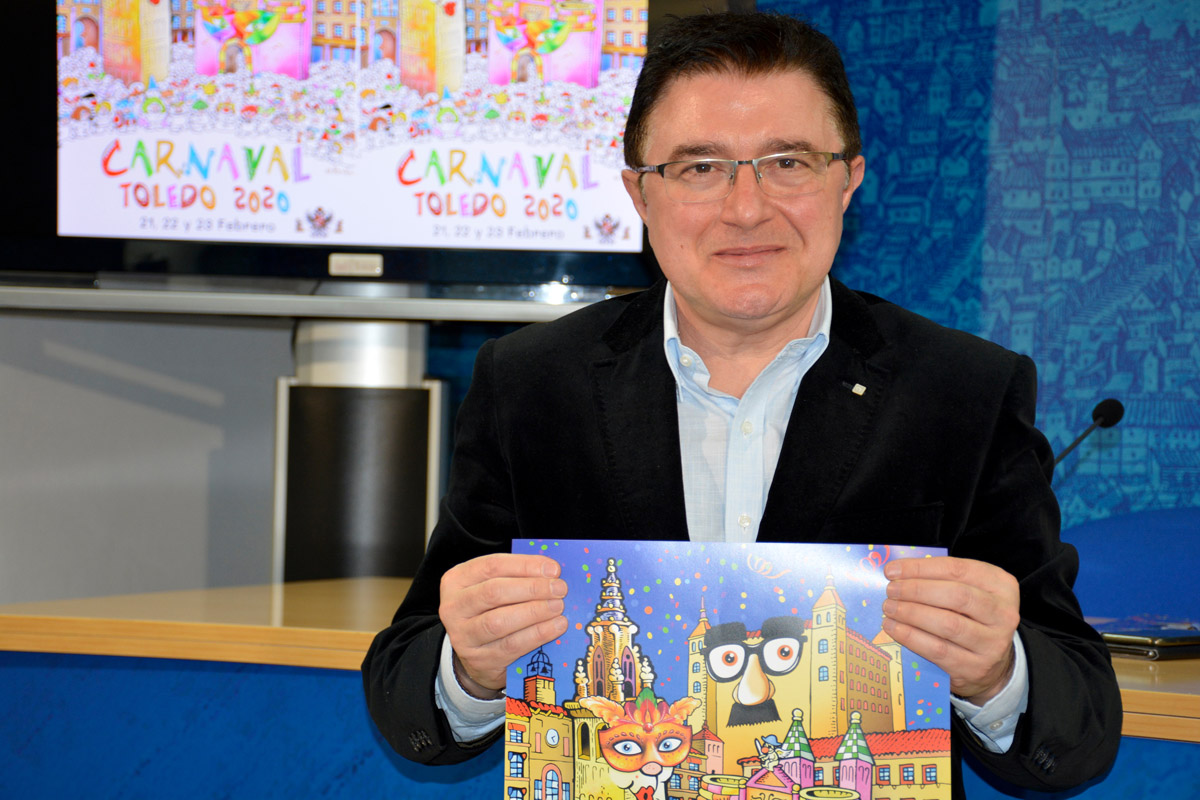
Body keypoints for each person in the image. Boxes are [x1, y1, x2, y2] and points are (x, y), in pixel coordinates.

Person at [363, 11, 1121, 796]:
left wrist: (998, 672)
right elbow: (405, 697)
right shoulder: (530, 383)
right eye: (700, 169)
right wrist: (470, 668)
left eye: (788, 161)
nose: (747, 208)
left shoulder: (962, 391)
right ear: (639, 194)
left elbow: (1080, 732)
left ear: (848, 179)